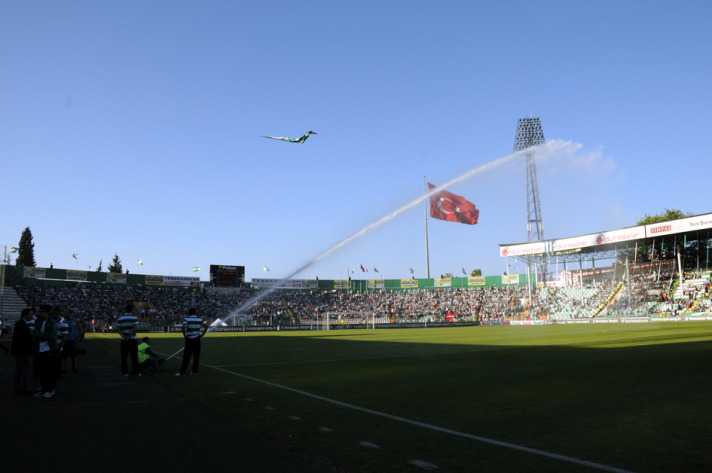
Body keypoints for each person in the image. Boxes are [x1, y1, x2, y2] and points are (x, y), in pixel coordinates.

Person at [33, 305, 58, 398]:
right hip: (41, 349)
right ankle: (43, 389)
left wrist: (39, 335)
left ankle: (50, 389)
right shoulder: (38, 321)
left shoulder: (52, 322)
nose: (39, 313)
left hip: (49, 349)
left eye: (41, 311)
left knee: (49, 371)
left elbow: (49, 336)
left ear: (47, 312)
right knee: (42, 371)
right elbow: (34, 334)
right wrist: (40, 335)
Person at [176, 307, 207, 376]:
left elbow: (183, 327)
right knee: (196, 357)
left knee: (186, 356)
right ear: (195, 312)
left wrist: (185, 336)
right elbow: (206, 326)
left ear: (189, 313)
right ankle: (195, 371)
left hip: (189, 339)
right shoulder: (200, 319)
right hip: (197, 339)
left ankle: (182, 372)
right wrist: (202, 335)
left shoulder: (187, 319)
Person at [11, 308, 35, 394]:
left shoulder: (19, 323)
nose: (32, 316)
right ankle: (23, 387)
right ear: (25, 315)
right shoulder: (23, 324)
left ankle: (18, 386)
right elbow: (26, 339)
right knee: (27, 369)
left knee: (19, 369)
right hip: (23, 351)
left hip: (18, 351)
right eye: (31, 314)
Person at [117, 303, 139, 376]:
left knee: (124, 357)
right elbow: (134, 329)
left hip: (124, 340)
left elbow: (118, 329)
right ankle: (136, 372)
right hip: (132, 340)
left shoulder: (121, 318)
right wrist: (129, 337)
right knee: (134, 357)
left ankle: (125, 372)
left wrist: (124, 336)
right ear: (131, 310)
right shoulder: (134, 318)